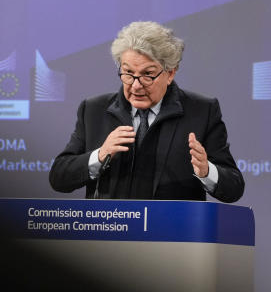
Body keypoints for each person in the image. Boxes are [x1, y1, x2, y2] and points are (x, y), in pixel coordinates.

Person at [49, 21, 244, 202]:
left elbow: (234, 187)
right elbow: (59, 177)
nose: (136, 86)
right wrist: (100, 155)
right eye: (127, 73)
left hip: (173, 235)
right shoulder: (93, 110)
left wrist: (206, 170)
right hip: (108, 232)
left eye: (147, 74)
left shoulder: (202, 111)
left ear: (170, 73)